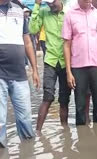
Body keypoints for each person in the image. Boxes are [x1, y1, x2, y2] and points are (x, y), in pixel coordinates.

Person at [62, 0, 97, 126]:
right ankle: (82, 139)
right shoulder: (70, 15)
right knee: (80, 106)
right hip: (78, 67)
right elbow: (67, 45)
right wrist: (68, 72)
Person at [0, 0, 40, 148]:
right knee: (0, 121)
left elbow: (27, 42)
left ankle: (29, 154)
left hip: (19, 73)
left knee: (25, 118)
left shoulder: (19, 10)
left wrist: (34, 69)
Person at [29, 0, 71, 131]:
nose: (51, 5)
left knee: (64, 100)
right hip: (50, 60)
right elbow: (32, 29)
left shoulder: (69, 13)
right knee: (47, 97)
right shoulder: (43, 12)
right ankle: (38, 133)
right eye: (48, 3)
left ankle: (65, 132)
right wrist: (36, 5)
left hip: (66, 62)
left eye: (53, 2)